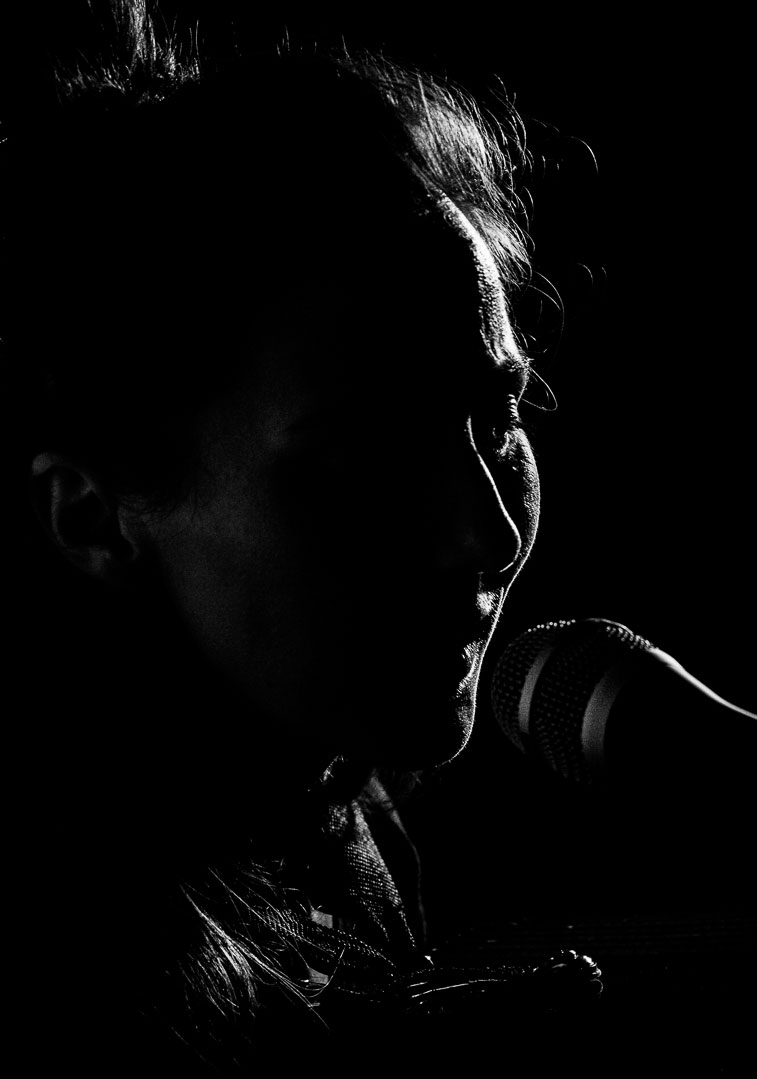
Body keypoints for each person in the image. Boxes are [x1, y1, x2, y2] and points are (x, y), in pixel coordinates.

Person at [2, 2, 607, 1071]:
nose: (487, 529)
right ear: (94, 516)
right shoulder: (54, 965)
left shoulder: (327, 804)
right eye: (367, 454)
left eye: (497, 416)